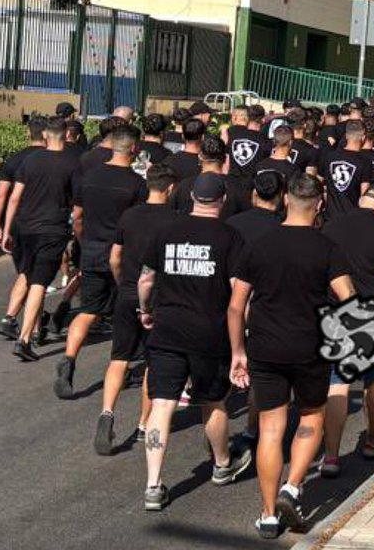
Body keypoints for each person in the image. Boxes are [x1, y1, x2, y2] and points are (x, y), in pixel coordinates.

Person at [228, 172, 353, 538]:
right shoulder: (327, 247)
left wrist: (237, 352)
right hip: (310, 346)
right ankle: (293, 486)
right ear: (320, 204)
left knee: (270, 427)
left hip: (265, 345)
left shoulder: (259, 245)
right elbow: (349, 298)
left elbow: (236, 306)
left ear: (286, 200)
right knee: (312, 416)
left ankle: (268, 515)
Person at [137, 173, 252, 512]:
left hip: (167, 329)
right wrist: (242, 336)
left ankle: (153, 485)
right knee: (212, 402)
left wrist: (145, 310)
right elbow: (238, 292)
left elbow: (146, 279)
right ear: (222, 200)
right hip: (210, 333)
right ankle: (222, 464)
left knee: (162, 405)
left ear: (191, 199)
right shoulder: (230, 237)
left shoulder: (165, 231)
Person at [321, 183, 374, 478]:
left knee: (338, 382)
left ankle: (331, 456)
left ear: (361, 200)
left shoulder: (331, 226)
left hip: (337, 310)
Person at [53, 127, 147, 399]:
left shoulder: (90, 177)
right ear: (134, 149)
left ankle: (69, 359)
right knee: (124, 315)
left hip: (92, 250)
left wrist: (85, 243)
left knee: (88, 310)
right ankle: (122, 367)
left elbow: (78, 217)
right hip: (123, 256)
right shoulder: (136, 184)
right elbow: (138, 224)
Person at [95, 164, 179, 455]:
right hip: (157, 299)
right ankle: (143, 424)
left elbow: (114, 258)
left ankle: (107, 412)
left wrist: (122, 284)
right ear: (170, 188)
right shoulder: (175, 220)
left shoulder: (129, 215)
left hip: (127, 292)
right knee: (152, 363)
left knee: (119, 357)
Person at [0, 117, 79, 361]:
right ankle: (25, 339)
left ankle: (16, 321)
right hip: (52, 229)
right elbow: (78, 205)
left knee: (27, 273)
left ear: (45, 135)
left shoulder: (31, 160)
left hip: (24, 228)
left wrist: (6, 230)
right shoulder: (73, 163)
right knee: (39, 283)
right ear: (66, 134)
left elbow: (14, 197)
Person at [0, 117, 46, 340]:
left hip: (16, 224)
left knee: (29, 273)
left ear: (27, 133)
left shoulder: (14, 160)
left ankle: (32, 325)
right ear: (46, 134)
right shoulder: (49, 160)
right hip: (41, 223)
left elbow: (1, 195)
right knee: (36, 276)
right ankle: (21, 323)